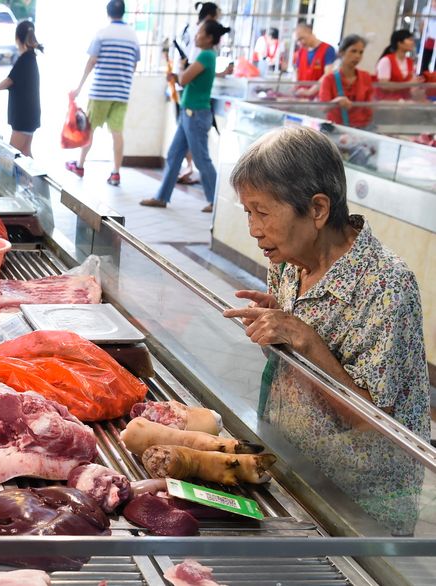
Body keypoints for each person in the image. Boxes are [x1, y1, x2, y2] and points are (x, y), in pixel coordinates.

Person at [222, 126, 429, 535]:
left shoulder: (385, 285)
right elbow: (293, 360)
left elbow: (374, 424)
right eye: (247, 212)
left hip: (359, 501)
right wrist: (276, 328)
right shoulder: (288, 260)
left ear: (317, 209)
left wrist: (306, 339)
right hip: (296, 467)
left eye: (262, 212)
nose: (253, 229)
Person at [139, 20, 230, 212]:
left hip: (195, 115)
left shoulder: (206, 55)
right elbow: (189, 79)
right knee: (174, 155)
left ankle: (216, 202)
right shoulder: (207, 55)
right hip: (189, 113)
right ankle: (162, 197)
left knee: (201, 159)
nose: (196, 36)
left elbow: (184, 78)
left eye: (200, 33)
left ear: (209, 38)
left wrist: (180, 68)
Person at [66, 0, 140, 187]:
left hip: (100, 91)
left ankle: (80, 166)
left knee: (89, 129)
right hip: (122, 93)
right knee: (117, 133)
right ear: (123, 12)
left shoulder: (102, 33)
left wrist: (79, 87)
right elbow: (134, 65)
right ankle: (115, 173)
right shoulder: (133, 36)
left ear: (108, 13)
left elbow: (92, 61)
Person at [0, 21, 43, 158]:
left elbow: (9, 81)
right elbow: (15, 82)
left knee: (11, 157)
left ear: (17, 38)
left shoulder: (25, 59)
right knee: (25, 154)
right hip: (29, 115)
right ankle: (34, 174)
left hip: (23, 117)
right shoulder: (30, 58)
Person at [318, 35, 374, 129]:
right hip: (336, 128)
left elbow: (369, 108)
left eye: (361, 52)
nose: (357, 56)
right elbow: (324, 107)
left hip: (360, 129)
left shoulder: (366, 77)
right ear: (342, 52)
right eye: (353, 51)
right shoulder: (329, 79)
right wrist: (336, 101)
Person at [293, 23, 336, 97]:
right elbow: (296, 71)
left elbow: (328, 74)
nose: (300, 43)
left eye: (301, 39)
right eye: (297, 41)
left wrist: (310, 92)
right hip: (301, 96)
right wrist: (295, 86)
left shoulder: (328, 49)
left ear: (310, 33)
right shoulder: (301, 52)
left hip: (319, 97)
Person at [376, 30, 419, 100]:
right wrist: (408, 84)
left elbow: (412, 85)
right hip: (388, 102)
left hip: (405, 101)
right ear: (399, 43)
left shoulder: (410, 62)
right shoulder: (386, 61)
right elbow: (384, 85)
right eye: (409, 40)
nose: (413, 42)